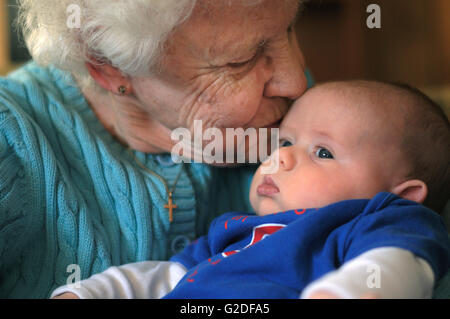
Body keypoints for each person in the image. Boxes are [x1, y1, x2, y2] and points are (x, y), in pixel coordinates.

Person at [0, 0, 311, 298]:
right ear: (110, 68)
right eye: (240, 61)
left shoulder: (307, 122)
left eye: (289, 30)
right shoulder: (10, 142)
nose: (297, 82)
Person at [51, 80, 450, 299]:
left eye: (323, 151)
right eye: (284, 143)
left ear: (402, 197)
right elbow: (167, 278)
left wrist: (347, 292)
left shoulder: (369, 223)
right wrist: (94, 292)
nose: (282, 159)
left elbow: (399, 262)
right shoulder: (233, 233)